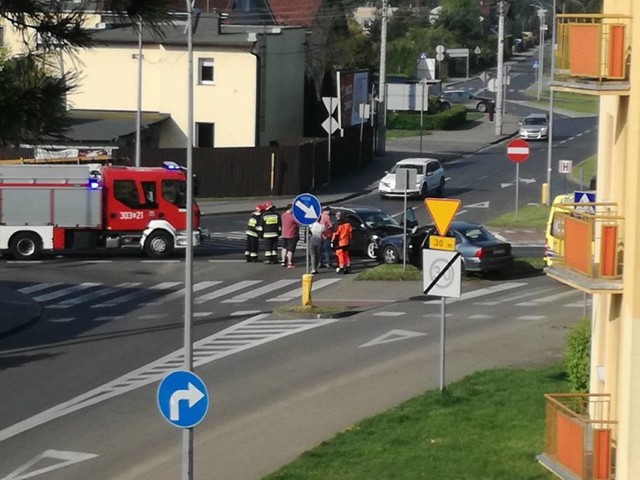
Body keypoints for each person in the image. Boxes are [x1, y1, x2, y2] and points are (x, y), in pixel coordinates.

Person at [280, 203, 300, 269]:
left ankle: (283, 261)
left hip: (284, 234)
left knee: (284, 248)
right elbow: (298, 222)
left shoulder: (283, 215)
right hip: (291, 235)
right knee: (290, 250)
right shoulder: (292, 216)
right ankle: (289, 263)